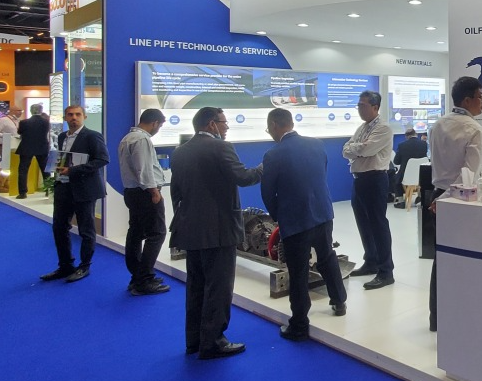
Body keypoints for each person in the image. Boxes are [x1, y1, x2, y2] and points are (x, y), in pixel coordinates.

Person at [169, 106, 263, 360]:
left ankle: (194, 340)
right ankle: (213, 342)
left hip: (191, 230)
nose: (227, 126)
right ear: (212, 124)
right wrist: (263, 168)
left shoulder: (180, 152)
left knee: (196, 286)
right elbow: (243, 177)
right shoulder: (221, 147)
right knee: (219, 287)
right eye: (224, 122)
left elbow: (176, 193)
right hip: (219, 231)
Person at [261, 108, 347, 340]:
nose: (269, 133)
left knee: (298, 270)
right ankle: (339, 301)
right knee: (327, 256)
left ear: (275, 125)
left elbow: (268, 193)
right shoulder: (317, 145)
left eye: (268, 128)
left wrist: (279, 215)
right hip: (322, 213)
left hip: (295, 220)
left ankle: (299, 323)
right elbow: (320, 176)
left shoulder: (273, 155)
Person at [427, 76, 482, 332]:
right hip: (459, 199)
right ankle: (460, 319)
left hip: (437, 195)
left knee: (441, 258)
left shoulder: (438, 124)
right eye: (480, 97)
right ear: (467, 100)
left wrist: (439, 198)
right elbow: (468, 174)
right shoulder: (474, 129)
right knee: (462, 259)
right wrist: (445, 200)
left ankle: (436, 318)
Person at [40, 105, 109, 284]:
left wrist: (73, 170)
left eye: (78, 114)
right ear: (65, 118)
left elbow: (102, 159)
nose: (74, 118)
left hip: (85, 189)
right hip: (64, 187)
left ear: (84, 117)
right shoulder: (62, 136)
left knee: (86, 230)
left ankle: (84, 266)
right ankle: (65, 265)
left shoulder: (92, 136)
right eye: (70, 115)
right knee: (59, 227)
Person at [341, 90, 395, 290]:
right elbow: (345, 149)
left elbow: (366, 150)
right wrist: (357, 148)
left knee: (378, 225)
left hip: (375, 179)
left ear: (375, 107)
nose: (359, 109)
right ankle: (371, 261)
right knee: (363, 224)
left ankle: (386, 271)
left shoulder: (383, 128)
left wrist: (357, 149)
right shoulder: (362, 128)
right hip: (359, 180)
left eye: (362, 105)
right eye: (358, 105)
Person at [118, 108, 170, 296]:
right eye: (159, 126)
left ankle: (138, 275)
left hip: (133, 192)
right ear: (154, 123)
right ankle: (144, 279)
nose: (158, 129)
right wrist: (154, 191)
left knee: (136, 232)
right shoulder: (142, 139)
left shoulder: (127, 138)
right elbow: (144, 169)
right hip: (145, 193)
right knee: (156, 234)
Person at [15, 103, 51, 199]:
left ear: (31, 111)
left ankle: (22, 193)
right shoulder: (46, 122)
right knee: (45, 170)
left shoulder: (24, 122)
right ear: (41, 111)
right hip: (42, 147)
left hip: (26, 148)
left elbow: (19, 132)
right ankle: (48, 190)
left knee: (23, 170)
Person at [392, 127, 428, 208]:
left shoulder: (402, 145)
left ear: (406, 136)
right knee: (421, 181)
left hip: (406, 176)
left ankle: (400, 201)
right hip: (421, 175)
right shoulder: (424, 144)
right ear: (416, 134)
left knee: (396, 178)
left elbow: (396, 161)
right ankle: (420, 197)